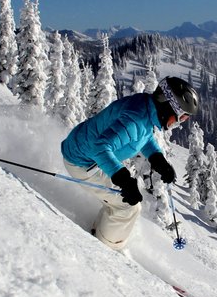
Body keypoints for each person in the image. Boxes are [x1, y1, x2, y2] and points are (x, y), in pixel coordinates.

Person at [61, 76, 200, 250]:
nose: (178, 124)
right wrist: (124, 179)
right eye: (180, 118)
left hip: (84, 152)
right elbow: (100, 147)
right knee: (128, 207)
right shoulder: (136, 119)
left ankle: (100, 233)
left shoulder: (144, 108)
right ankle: (102, 250)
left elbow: (144, 135)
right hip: (83, 163)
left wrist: (157, 158)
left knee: (123, 203)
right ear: (168, 106)